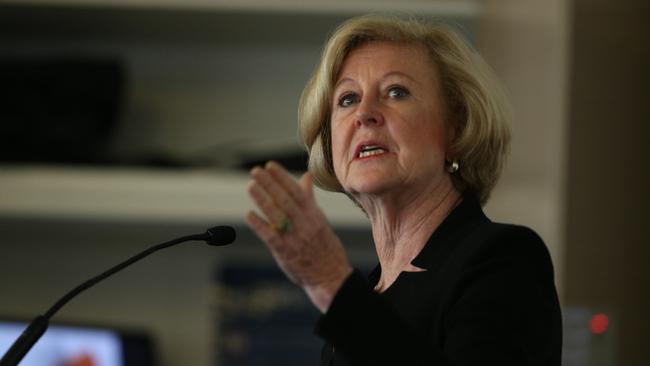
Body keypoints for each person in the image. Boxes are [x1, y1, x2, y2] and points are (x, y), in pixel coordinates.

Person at [245, 14, 562, 366]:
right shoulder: (366, 297)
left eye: (396, 92)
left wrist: (330, 282)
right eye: (347, 99)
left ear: (456, 128)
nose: (364, 114)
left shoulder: (505, 260)